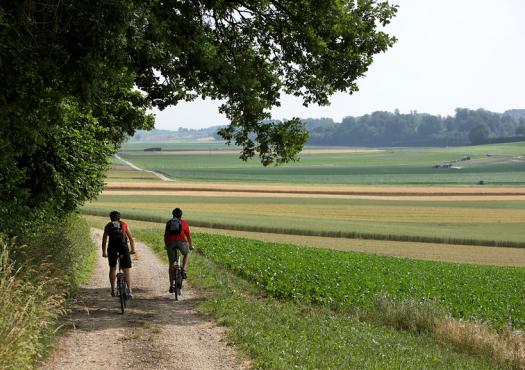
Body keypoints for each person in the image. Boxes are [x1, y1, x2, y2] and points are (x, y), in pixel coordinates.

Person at [102, 210, 136, 298]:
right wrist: (132, 250)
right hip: (123, 247)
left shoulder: (108, 226)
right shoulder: (124, 224)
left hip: (112, 247)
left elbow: (104, 240)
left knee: (113, 268)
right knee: (126, 269)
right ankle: (129, 290)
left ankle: (113, 290)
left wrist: (104, 252)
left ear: (110, 218)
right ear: (119, 217)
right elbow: (131, 238)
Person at [164, 207, 193, 293]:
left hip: (170, 243)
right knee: (187, 253)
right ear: (181, 215)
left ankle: (171, 285)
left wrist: (166, 245)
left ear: (172, 215)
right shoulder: (184, 223)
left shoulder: (169, 223)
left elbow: (165, 235)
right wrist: (190, 245)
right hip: (181, 242)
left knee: (171, 264)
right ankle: (183, 269)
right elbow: (188, 236)